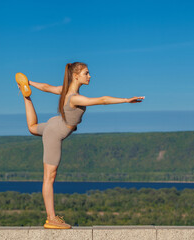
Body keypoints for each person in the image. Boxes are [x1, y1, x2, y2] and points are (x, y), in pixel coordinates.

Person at [15, 62, 144, 229]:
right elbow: (103, 100)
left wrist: (29, 83)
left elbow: (46, 87)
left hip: (55, 124)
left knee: (33, 128)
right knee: (49, 177)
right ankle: (51, 218)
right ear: (76, 76)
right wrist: (126, 100)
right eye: (86, 73)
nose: (89, 76)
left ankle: (26, 96)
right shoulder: (75, 97)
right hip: (55, 132)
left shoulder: (65, 90)